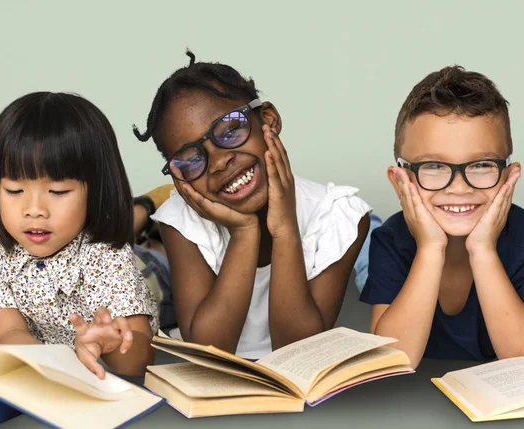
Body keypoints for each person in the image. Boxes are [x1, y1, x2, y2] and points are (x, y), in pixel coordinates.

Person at [132, 51, 371, 359]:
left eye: (230, 130)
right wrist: (244, 231)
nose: (219, 162)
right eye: (191, 160)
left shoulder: (339, 215)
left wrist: (284, 228)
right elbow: (208, 351)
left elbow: (298, 352)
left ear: (268, 120)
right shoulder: (180, 219)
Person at [0, 92, 159, 379]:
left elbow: (141, 359)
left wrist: (114, 343)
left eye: (58, 192)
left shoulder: (106, 251)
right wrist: (55, 366)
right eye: (14, 191)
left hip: (150, 277)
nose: (35, 210)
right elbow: (7, 332)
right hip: (68, 342)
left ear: (96, 189)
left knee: (157, 266)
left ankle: (147, 214)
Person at [360, 66, 524, 368]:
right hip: (412, 405)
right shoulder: (391, 240)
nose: (459, 188)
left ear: (509, 177)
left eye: (482, 165)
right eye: (433, 167)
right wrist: (430, 248)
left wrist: (483, 250)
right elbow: (394, 358)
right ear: (400, 182)